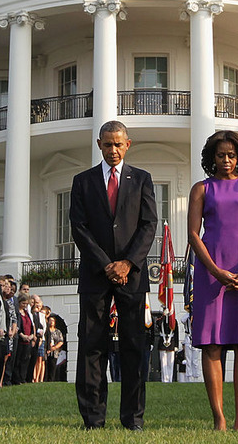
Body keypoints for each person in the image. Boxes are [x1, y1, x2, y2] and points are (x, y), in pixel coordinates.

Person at [70, 120, 158, 431]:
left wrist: (127, 263)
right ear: (99, 145)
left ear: (128, 144)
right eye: (108, 144)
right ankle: (93, 418)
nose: (113, 150)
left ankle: (132, 418)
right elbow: (79, 227)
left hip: (132, 277)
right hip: (95, 275)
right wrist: (106, 264)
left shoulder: (142, 180)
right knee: (92, 345)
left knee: (134, 346)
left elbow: (149, 225)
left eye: (118, 144)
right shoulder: (83, 181)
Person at [188, 130, 238, 431]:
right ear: (212, 158)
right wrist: (215, 271)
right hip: (211, 270)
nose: (226, 160)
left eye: (231, 155)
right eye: (220, 155)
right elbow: (193, 235)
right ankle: (219, 418)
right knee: (211, 345)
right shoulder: (201, 189)